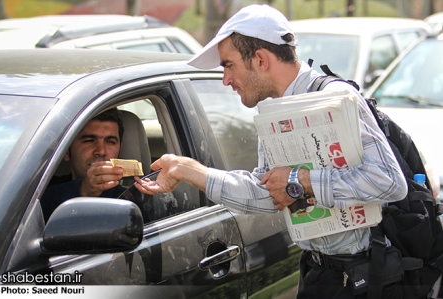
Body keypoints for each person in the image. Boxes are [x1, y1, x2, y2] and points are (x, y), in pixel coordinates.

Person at [134, 4, 408, 298]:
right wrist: (190, 171)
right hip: (320, 273)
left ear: (261, 59)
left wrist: (304, 181)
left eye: (228, 65)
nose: (225, 79)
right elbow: (267, 194)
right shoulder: (274, 112)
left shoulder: (335, 98)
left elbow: (390, 181)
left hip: (368, 276)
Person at [40, 108, 125, 222]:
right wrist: (83, 191)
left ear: (120, 149)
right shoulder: (43, 190)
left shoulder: (129, 199)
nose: (101, 151)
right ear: (66, 151)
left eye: (110, 142)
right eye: (89, 140)